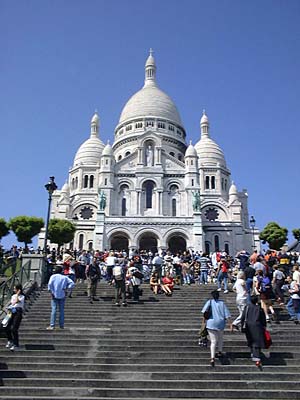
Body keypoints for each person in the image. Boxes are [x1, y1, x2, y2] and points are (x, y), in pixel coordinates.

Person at [201, 290, 231, 367]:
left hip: (211, 323)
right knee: (220, 338)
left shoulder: (209, 302)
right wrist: (230, 324)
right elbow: (227, 315)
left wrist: (204, 321)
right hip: (220, 323)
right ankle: (220, 352)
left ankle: (212, 357)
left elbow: (204, 312)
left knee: (213, 341)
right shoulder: (222, 303)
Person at [240, 295, 267, 367]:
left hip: (248, 326)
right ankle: (257, 358)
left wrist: (242, 325)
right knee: (257, 342)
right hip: (257, 326)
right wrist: (264, 326)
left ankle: (253, 353)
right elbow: (263, 319)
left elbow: (243, 317)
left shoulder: (247, 307)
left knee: (251, 340)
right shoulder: (259, 308)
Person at [47, 265, 75, 330]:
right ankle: (61, 325)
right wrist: (67, 288)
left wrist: (51, 292)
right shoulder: (64, 277)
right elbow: (72, 283)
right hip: (62, 294)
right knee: (61, 310)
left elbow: (50, 285)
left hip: (54, 295)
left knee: (54, 310)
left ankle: (52, 325)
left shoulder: (53, 276)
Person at [4, 284, 25, 351]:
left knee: (14, 329)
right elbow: (12, 303)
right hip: (11, 312)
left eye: (15, 289)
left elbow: (17, 301)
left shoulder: (22, 296)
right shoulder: (13, 296)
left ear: (18, 290)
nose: (14, 290)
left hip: (18, 312)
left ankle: (16, 344)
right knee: (6, 326)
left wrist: (17, 294)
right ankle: (10, 340)